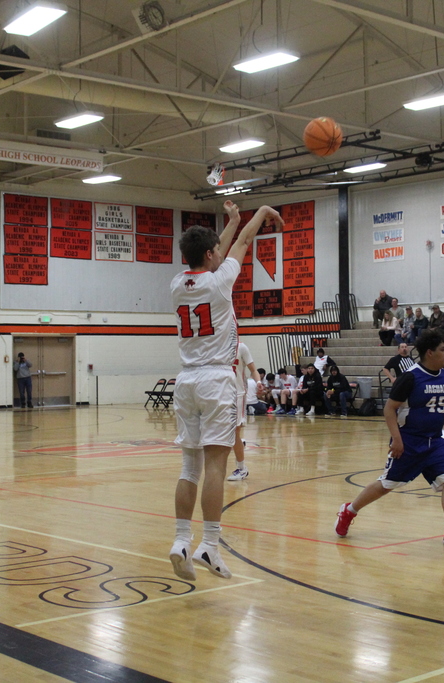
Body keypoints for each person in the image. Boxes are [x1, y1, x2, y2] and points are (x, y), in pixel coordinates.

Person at [169, 200, 281, 582]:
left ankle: (181, 540)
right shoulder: (219, 282)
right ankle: (210, 545)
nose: (221, 252)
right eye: (216, 249)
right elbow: (244, 243)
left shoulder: (176, 285)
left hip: (185, 380)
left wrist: (231, 221)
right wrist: (261, 212)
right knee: (216, 465)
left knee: (189, 467)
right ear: (209, 254)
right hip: (217, 380)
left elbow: (222, 247)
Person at [334, 330, 444, 546]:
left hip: (435, 442)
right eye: (443, 350)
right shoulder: (410, 376)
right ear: (429, 353)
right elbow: (389, 409)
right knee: (386, 485)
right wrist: (397, 439)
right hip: (409, 441)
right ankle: (349, 510)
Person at [227, 342, 260, 482]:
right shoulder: (214, 346)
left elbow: (253, 369)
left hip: (237, 394)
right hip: (219, 394)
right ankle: (240, 442)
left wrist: (258, 383)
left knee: (234, 432)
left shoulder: (241, 347)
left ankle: (242, 469)